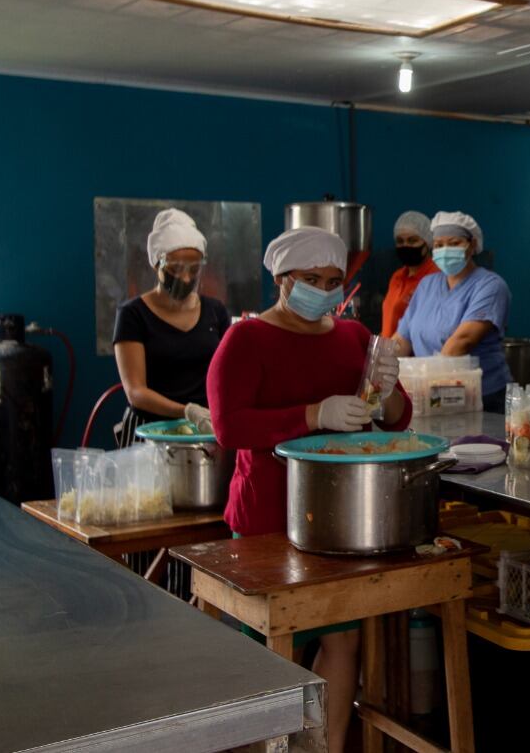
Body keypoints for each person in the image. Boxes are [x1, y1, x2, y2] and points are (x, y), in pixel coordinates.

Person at [207, 225, 409, 753]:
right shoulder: (246, 339)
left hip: (339, 519)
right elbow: (229, 427)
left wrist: (385, 394)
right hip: (266, 520)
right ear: (281, 279)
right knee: (277, 646)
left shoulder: (353, 338)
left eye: (334, 280)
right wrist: (311, 415)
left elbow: (396, 415)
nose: (324, 289)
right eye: (311, 279)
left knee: (342, 638)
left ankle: (327, 746)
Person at [113, 208, 230, 445]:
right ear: (157, 265)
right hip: (149, 432)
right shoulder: (133, 315)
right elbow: (136, 392)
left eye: (194, 269)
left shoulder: (215, 312)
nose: (186, 278)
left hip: (203, 429)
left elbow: (227, 375)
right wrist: (186, 411)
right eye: (176, 269)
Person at [392, 210, 512, 412]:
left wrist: (421, 382)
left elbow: (461, 342)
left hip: (484, 397)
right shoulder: (427, 285)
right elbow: (402, 340)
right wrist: (378, 368)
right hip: (433, 394)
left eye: (454, 243)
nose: (445, 250)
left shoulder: (490, 286)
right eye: (439, 245)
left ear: (472, 245)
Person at [380, 210, 439, 338]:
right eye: (400, 241)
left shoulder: (436, 277)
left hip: (417, 356)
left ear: (427, 242)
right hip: (391, 352)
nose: (405, 246)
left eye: (412, 241)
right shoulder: (397, 276)